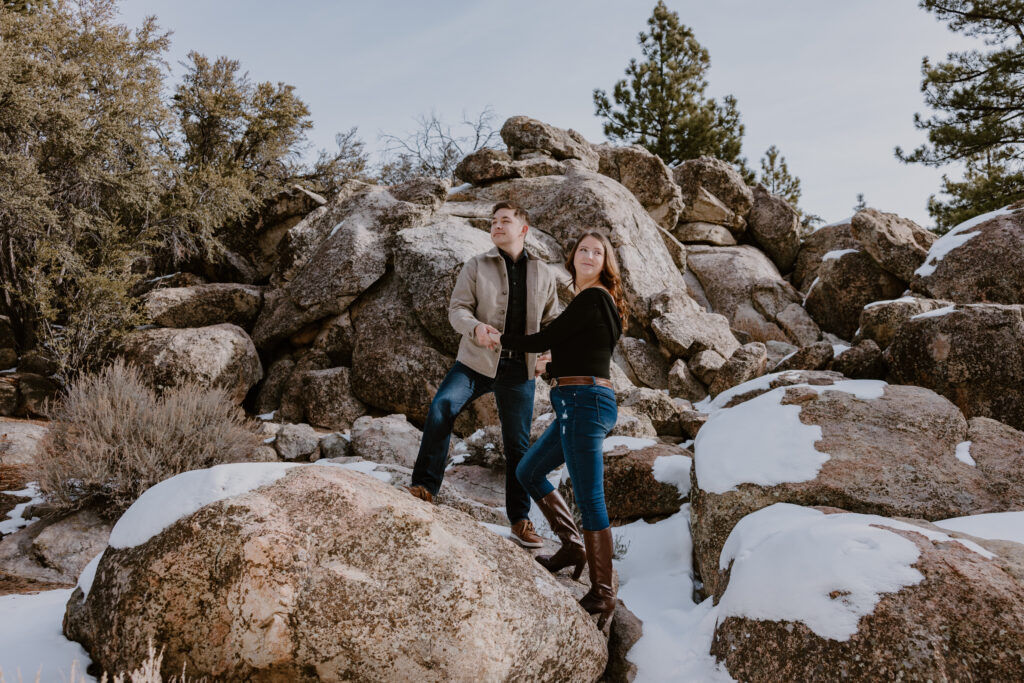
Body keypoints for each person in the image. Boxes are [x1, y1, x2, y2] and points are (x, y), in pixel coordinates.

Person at [406, 201, 562, 548]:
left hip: (520, 370)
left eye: (505, 221)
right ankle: (424, 487)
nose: (497, 226)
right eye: (493, 221)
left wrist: (549, 356)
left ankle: (520, 521)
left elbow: (553, 322)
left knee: (518, 445)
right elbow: (457, 308)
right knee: (442, 407)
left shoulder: (544, 273)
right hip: (476, 363)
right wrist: (474, 328)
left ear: (523, 229)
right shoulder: (476, 265)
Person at [490, 230, 625, 629]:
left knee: (590, 499)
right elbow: (578, 349)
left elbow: (548, 336)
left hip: (586, 402)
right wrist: (552, 363)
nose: (588, 255)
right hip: (576, 401)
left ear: (605, 263)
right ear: (572, 257)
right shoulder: (595, 304)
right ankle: (572, 547)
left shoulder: (594, 296)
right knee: (528, 470)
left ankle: (603, 593)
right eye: (582, 249)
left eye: (596, 252)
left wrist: (500, 339)